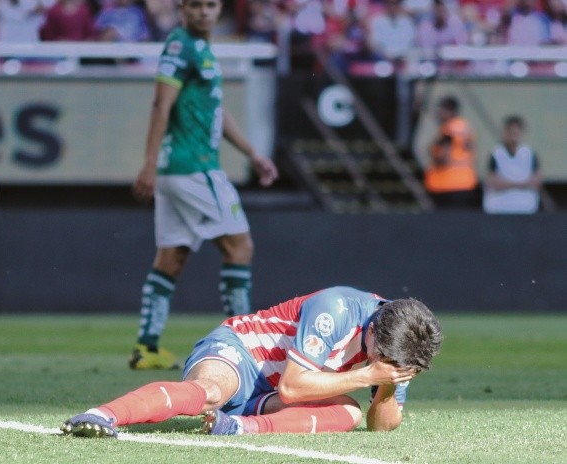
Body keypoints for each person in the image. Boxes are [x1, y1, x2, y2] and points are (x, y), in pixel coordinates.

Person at [61, 286, 443, 437]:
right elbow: (292, 387)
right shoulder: (338, 308)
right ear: (373, 331)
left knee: (351, 413)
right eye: (384, 359)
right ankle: (101, 415)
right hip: (243, 354)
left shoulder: (399, 348)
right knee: (211, 392)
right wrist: (367, 376)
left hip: (270, 394)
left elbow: (382, 427)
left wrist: (387, 384)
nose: (386, 364)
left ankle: (238, 427)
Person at [129, 0, 279, 370]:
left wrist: (251, 153)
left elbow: (215, 112)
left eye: (210, 5)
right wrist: (148, 162)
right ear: (183, 9)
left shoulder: (201, 49)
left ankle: (146, 347)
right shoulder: (182, 46)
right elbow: (160, 105)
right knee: (240, 247)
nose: (203, 12)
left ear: (219, 9)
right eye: (195, 5)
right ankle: (245, 345)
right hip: (194, 167)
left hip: (175, 171)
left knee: (172, 256)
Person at [424, 95, 479, 209]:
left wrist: (432, 151)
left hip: (447, 186)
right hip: (466, 183)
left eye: (441, 109)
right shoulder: (465, 127)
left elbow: (442, 156)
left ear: (450, 111)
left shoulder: (449, 129)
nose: (438, 113)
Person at [483, 115, 542, 214]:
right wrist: (521, 183)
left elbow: (536, 181)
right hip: (499, 206)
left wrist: (507, 183)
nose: (514, 136)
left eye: (516, 132)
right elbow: (492, 182)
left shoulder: (530, 154)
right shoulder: (496, 154)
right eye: (511, 132)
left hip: (525, 206)